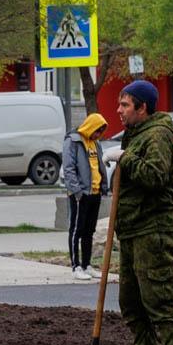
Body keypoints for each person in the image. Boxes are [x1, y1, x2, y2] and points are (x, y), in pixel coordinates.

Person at [113, 81, 173, 345]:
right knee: (131, 303)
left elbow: (156, 176)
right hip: (132, 230)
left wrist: (125, 159)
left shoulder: (157, 135)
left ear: (142, 107)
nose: (118, 111)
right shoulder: (136, 135)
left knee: (158, 301)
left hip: (152, 230)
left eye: (125, 105)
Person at [60, 112, 109, 279]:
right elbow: (69, 168)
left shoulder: (96, 144)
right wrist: (77, 191)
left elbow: (98, 165)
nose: (98, 135)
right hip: (81, 194)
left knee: (89, 231)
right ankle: (76, 266)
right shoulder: (73, 141)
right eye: (97, 131)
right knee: (77, 230)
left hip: (95, 193)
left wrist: (103, 185)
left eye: (100, 133)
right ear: (91, 127)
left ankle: (87, 264)